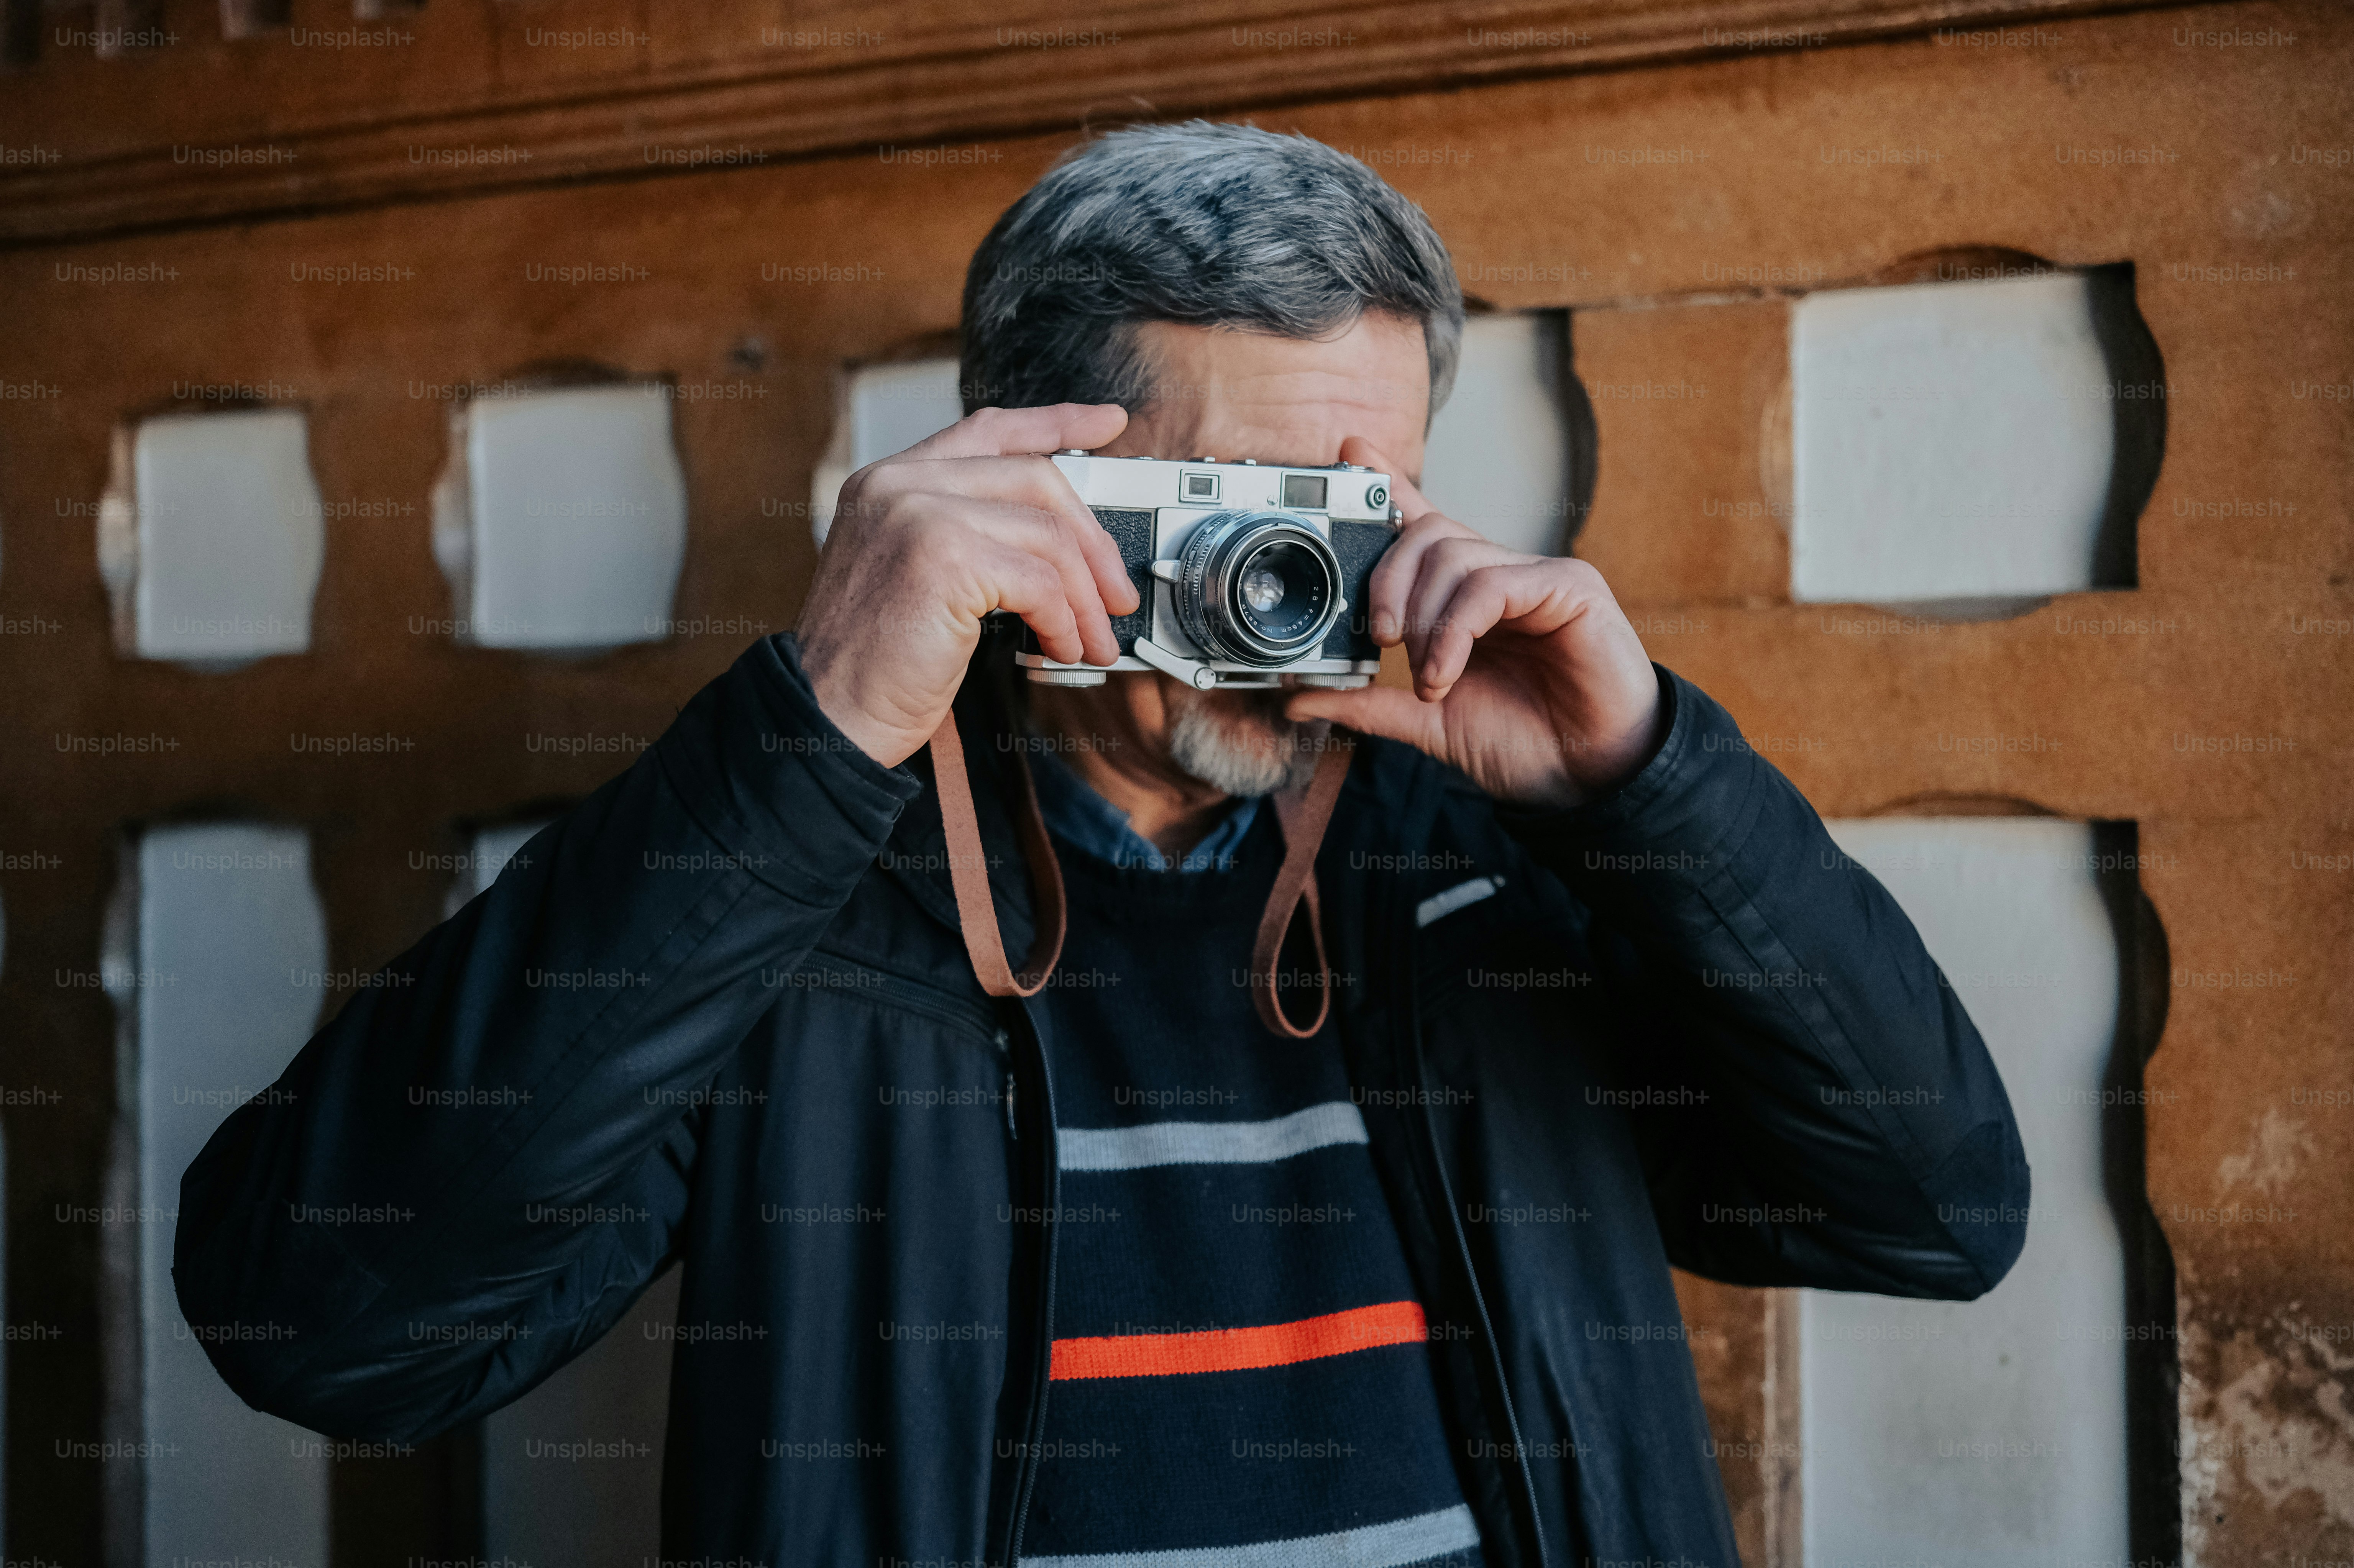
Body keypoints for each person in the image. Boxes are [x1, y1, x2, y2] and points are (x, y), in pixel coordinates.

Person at [177, 122, 2029, 1566]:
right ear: (1027, 481)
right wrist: (809, 741)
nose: (1296, 582)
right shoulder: (802, 885)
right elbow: (319, 1325)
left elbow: (1938, 1211)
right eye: (1239, 508)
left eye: (1356, 506)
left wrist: (1646, 784)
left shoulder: (1496, 855)